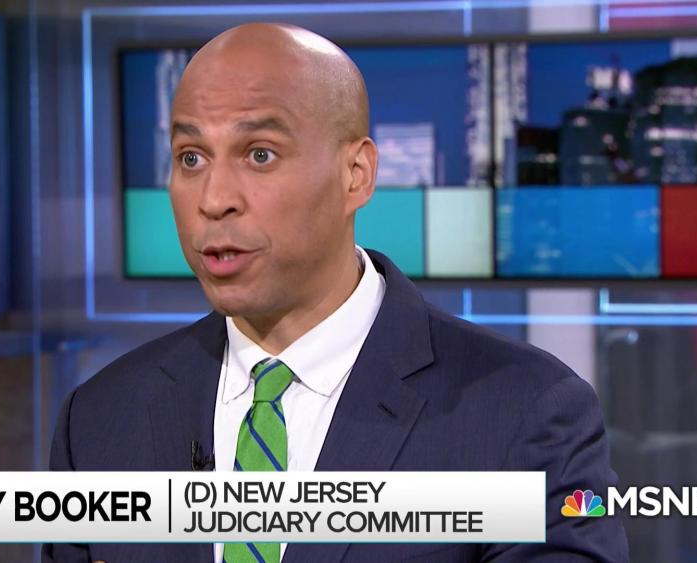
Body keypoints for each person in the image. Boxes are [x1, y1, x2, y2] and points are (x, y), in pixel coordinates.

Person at [44, 22, 628, 563]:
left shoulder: (524, 412)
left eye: (260, 154)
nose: (214, 199)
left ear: (356, 175)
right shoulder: (98, 418)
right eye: (191, 158)